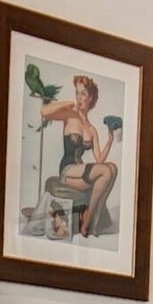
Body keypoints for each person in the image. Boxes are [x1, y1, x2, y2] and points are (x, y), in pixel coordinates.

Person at [39, 74, 119, 238]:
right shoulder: (69, 115)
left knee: (112, 168)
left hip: (80, 172)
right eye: (77, 93)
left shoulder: (92, 129)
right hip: (68, 170)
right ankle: (88, 216)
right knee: (105, 171)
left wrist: (110, 140)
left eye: (83, 94)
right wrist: (68, 103)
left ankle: (93, 219)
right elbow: (44, 112)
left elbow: (100, 160)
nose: (79, 97)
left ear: (91, 98)